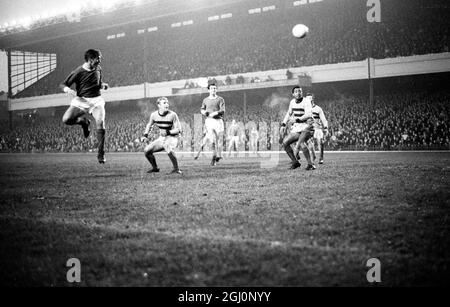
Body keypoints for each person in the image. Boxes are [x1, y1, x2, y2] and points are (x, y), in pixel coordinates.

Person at [60, 49, 109, 164]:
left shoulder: (98, 68)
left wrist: (102, 85)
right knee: (66, 119)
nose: (100, 60)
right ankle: (84, 123)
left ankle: (101, 154)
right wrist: (68, 90)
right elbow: (62, 84)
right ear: (91, 60)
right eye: (98, 58)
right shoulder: (78, 71)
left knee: (100, 122)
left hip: (96, 101)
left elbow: (97, 83)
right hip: (81, 101)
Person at [143, 97, 182, 174]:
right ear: (159, 105)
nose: (167, 104)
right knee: (146, 151)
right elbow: (149, 125)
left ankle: (176, 169)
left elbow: (179, 129)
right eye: (164, 103)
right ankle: (155, 168)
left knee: (167, 145)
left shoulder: (173, 115)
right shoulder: (154, 115)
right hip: (162, 138)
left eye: (167, 102)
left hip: (173, 138)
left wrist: (168, 132)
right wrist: (145, 135)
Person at [280, 86, 315, 170]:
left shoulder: (307, 101)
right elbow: (289, 113)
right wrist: (283, 124)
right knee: (285, 143)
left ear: (302, 92)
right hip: (297, 127)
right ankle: (295, 162)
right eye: (296, 91)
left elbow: (308, 114)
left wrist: (296, 119)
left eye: (300, 91)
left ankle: (311, 165)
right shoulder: (292, 102)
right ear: (293, 94)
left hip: (307, 126)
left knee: (301, 143)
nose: (298, 93)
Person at [200, 83, 225, 166]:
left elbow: (223, 110)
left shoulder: (220, 99)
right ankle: (214, 158)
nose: (213, 90)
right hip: (209, 121)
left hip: (218, 121)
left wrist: (215, 113)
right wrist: (204, 112)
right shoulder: (205, 100)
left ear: (216, 89)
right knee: (212, 140)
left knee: (219, 140)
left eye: (214, 88)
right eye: (211, 88)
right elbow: (202, 109)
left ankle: (218, 155)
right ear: (208, 90)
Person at [308, 94, 328, 164]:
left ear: (313, 99)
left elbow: (323, 119)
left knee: (320, 143)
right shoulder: (305, 109)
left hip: (318, 129)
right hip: (309, 129)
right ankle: (313, 156)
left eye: (310, 99)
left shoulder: (318, 109)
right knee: (310, 144)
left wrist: (325, 127)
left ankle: (321, 158)